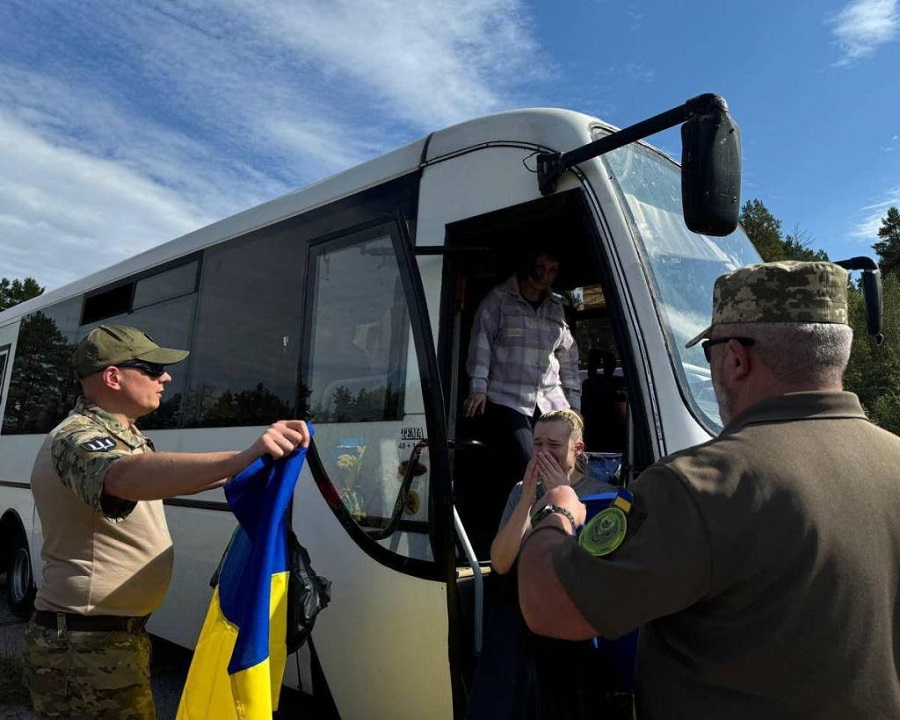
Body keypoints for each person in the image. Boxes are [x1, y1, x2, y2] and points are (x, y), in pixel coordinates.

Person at [517, 261, 900, 719]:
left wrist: (554, 511)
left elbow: (548, 606)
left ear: (736, 358)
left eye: (710, 352)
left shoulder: (701, 483)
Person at [22, 324, 311, 719]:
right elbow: (123, 476)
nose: (167, 377)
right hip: (83, 646)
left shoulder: (129, 436)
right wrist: (242, 457)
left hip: (109, 641)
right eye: (153, 369)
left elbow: (159, 473)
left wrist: (256, 463)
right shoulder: (77, 437)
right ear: (113, 376)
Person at [467, 410, 616, 720]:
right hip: (521, 614)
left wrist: (564, 496)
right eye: (537, 444)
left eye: (554, 445)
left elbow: (594, 562)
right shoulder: (521, 490)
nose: (544, 453)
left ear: (577, 448)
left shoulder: (599, 494)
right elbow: (501, 562)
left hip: (570, 618)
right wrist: (526, 502)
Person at [462, 249, 581, 549]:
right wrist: (478, 386)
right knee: (531, 464)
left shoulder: (556, 307)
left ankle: (569, 533)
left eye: (553, 270)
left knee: (573, 462)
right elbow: (482, 341)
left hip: (552, 402)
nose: (545, 276)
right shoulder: (499, 299)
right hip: (508, 398)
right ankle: (530, 543)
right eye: (540, 267)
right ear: (526, 265)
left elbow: (567, 357)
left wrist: (575, 404)